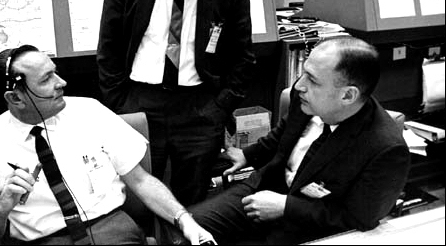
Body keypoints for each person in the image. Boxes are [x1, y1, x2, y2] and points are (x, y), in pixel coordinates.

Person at [0, 45, 216, 245]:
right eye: (46, 80)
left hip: (114, 231)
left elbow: (141, 181)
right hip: (45, 240)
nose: (61, 83)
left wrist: (185, 220)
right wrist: (1, 208)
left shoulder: (90, 111)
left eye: (55, 73)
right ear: (15, 98)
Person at [175, 36, 410, 244]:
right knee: (185, 232)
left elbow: (357, 218)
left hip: (310, 225)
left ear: (348, 95)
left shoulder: (386, 149)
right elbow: (281, 137)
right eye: (304, 73)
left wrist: (285, 207)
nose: (299, 85)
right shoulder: (304, 96)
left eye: (313, 80)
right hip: (266, 188)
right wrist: (248, 154)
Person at [97, 0, 256, 207]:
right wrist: (120, 103)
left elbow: (243, 60)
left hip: (199, 108)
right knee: (137, 198)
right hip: (139, 100)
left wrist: (217, 110)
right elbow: (109, 49)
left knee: (193, 200)